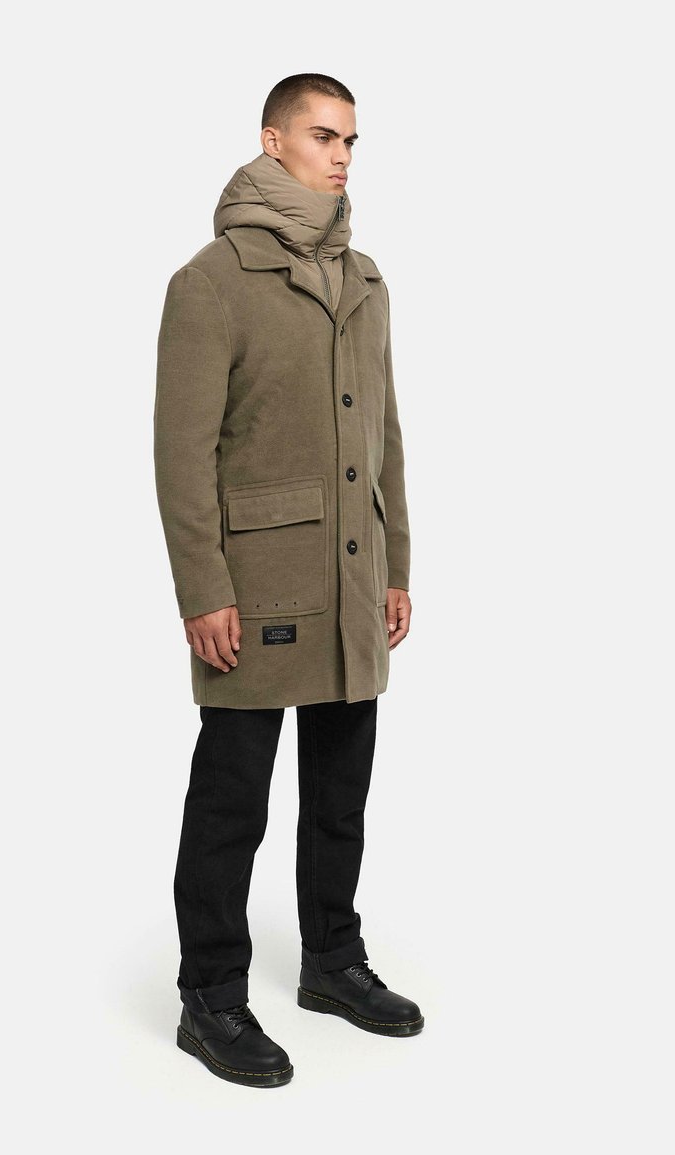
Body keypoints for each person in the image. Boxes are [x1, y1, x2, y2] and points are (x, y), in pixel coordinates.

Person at [153, 73, 422, 1088]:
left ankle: (331, 961)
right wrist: (202, 589)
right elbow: (180, 454)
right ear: (272, 142)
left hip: (354, 577)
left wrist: (396, 567)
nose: (341, 154)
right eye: (321, 135)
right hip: (256, 585)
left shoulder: (365, 279)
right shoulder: (211, 281)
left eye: (351, 139)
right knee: (232, 800)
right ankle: (210, 995)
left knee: (340, 792)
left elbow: (385, 434)